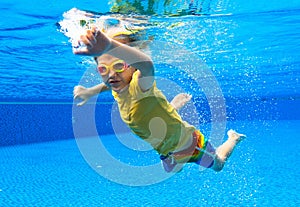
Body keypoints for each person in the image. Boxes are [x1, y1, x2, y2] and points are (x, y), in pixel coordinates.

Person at [72, 26, 246, 173]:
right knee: (171, 169)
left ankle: (233, 138)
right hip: (164, 148)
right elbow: (108, 83)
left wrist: (109, 45)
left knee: (218, 164)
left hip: (189, 144)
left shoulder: (139, 84)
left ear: (133, 68)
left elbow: (146, 63)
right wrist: (90, 92)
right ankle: (171, 109)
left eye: (119, 66)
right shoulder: (118, 84)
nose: (111, 75)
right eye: (103, 69)